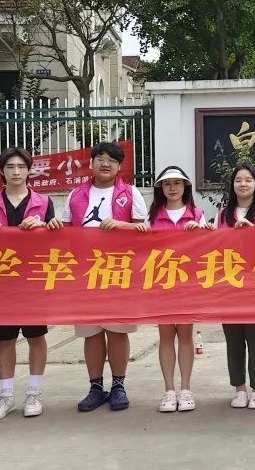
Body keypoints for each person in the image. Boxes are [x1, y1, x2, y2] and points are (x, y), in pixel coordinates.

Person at [59, 141, 149, 413]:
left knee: (117, 331)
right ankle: (95, 387)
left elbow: (145, 231)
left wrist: (122, 225)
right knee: (92, 333)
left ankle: (119, 385)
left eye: (112, 160)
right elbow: (64, 232)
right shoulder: (75, 195)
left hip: (119, 271)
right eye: (100, 158)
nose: (105, 163)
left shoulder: (131, 193)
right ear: (91, 163)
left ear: (120, 167)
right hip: (86, 273)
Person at [0, 147, 58, 421]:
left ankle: (34, 392)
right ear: (1, 171)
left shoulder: (44, 202)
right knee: (5, 338)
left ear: (29, 170)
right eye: (10, 167)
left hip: (32, 279)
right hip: (0, 280)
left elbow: (55, 238)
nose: (16, 171)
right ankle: (6, 395)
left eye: (21, 167)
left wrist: (42, 226)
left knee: (36, 336)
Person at [218, 164, 255, 410]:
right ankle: (239, 388)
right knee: (233, 341)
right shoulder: (222, 215)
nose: (243, 184)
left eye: (248, 180)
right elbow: (214, 247)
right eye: (238, 180)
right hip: (229, 287)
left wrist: (253, 234)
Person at [148, 165, 206, 413]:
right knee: (165, 337)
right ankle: (169, 390)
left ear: (185, 187)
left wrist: (199, 232)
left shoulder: (197, 214)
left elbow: (207, 247)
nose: (173, 188)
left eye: (177, 183)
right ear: (161, 188)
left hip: (186, 285)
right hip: (161, 284)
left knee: (185, 336)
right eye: (168, 184)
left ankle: (185, 389)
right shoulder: (152, 217)